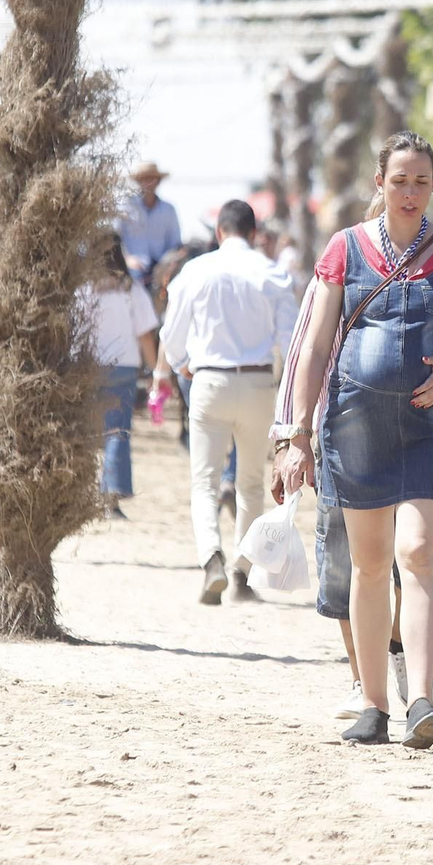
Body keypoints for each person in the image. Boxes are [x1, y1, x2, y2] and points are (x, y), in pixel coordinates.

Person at [283, 131, 433, 749]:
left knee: (418, 553)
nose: (410, 192)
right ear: (380, 183)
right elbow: (317, 345)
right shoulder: (344, 249)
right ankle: (373, 704)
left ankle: (422, 701)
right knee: (369, 566)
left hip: (429, 427)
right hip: (354, 424)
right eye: (399, 180)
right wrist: (296, 433)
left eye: (421, 181)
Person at [269, 270, 433, 721]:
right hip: (348, 438)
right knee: (348, 567)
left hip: (427, 438)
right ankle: (364, 681)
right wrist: (291, 438)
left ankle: (402, 657)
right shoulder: (341, 267)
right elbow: (307, 352)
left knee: (418, 558)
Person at [157, 199, 298, 605]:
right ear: (254, 233)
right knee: (250, 483)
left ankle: (210, 559)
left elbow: (171, 334)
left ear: (220, 232)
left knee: (204, 481)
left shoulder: (196, 271)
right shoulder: (272, 272)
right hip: (257, 383)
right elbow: (291, 343)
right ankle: (241, 572)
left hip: (209, 382)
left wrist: (183, 365)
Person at [80, 231, 159, 520]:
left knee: (89, 433)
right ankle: (110, 498)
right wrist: (154, 370)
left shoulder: (83, 289)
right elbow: (146, 335)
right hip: (124, 366)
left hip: (89, 366)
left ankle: (87, 495)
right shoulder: (131, 290)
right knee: (117, 431)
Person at [118, 161, 182, 284]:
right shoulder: (126, 207)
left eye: (151, 179)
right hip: (130, 274)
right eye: (145, 179)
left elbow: (175, 244)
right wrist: (126, 259)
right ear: (138, 181)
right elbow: (114, 238)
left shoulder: (168, 210)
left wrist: (165, 264)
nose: (148, 183)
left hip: (160, 276)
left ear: (158, 181)